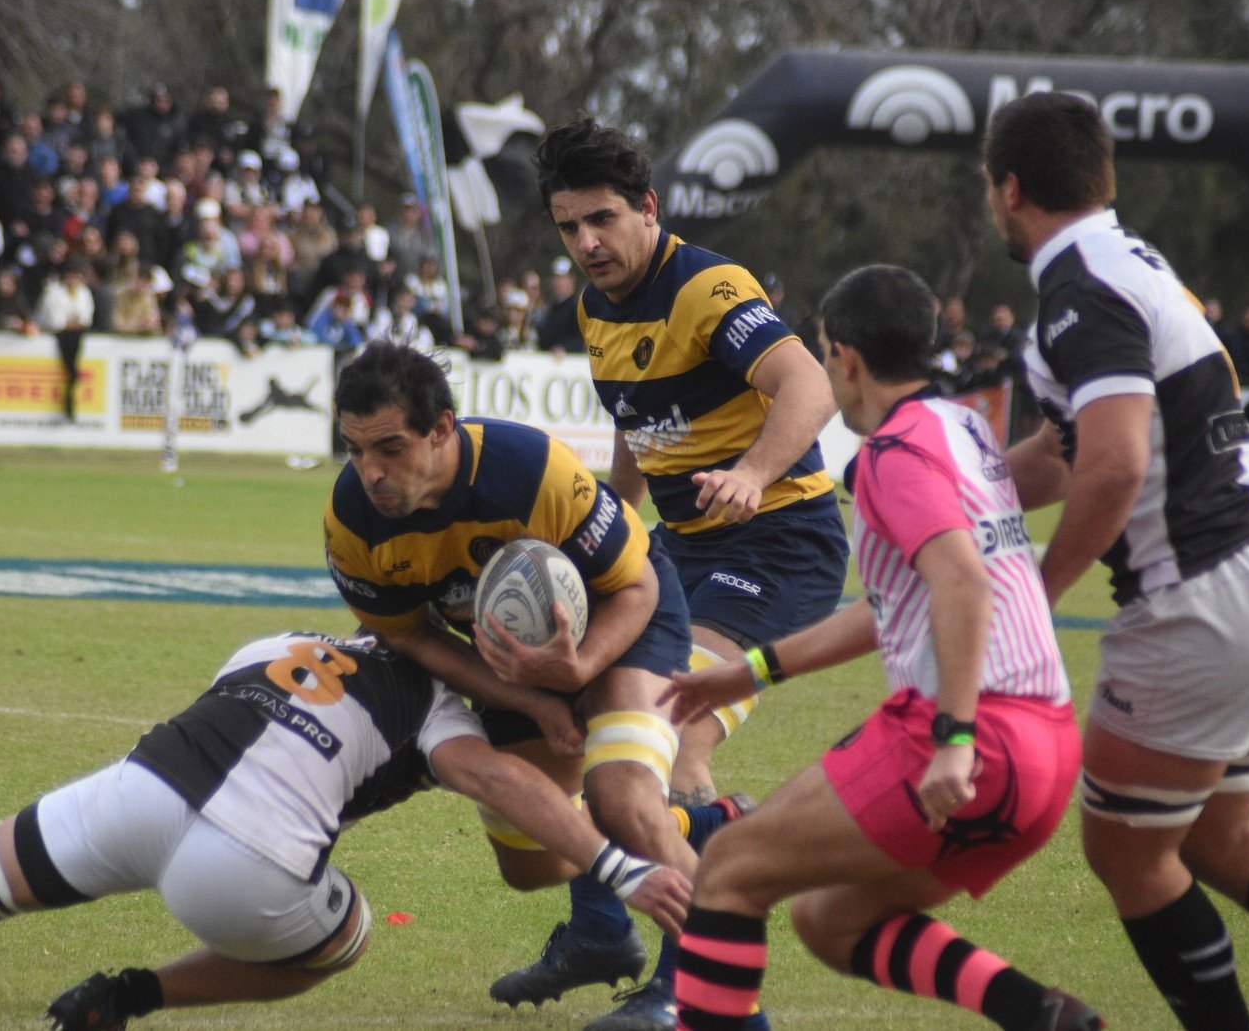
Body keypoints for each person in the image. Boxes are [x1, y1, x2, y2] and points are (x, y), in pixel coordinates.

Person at [0, 630, 691, 1031]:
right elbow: (494, 779)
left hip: (132, 795)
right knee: (341, 931)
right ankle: (135, 992)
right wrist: (610, 859)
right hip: (243, 872)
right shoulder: (445, 708)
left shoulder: (277, 642)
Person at [661, 264, 1100, 1031]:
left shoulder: (892, 452)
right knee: (830, 919)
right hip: (1048, 748)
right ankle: (1036, 1015)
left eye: (828, 356)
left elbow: (961, 583)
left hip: (974, 741)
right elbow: (897, 602)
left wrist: (955, 737)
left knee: (728, 868)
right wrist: (752, 670)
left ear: (847, 361)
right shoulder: (963, 427)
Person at [526, 114, 847, 1029]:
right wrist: (614, 531)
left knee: (671, 735)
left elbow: (808, 384)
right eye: (567, 227)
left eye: (601, 220)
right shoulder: (596, 306)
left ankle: (687, 984)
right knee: (597, 716)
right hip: (679, 554)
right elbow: (638, 422)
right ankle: (601, 928)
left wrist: (751, 473)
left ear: (647, 209)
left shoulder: (707, 287)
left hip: (778, 547)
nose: (586, 243)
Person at [325, 342, 749, 1026]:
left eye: (389, 448)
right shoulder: (352, 521)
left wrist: (578, 672)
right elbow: (408, 634)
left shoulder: (529, 470)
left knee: (623, 799)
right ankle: (632, 904)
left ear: (441, 430)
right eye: (354, 449)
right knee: (530, 862)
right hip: (517, 665)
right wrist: (531, 697)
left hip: (625, 620)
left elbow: (637, 585)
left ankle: (692, 993)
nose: (370, 471)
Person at [984, 91, 1249, 1031]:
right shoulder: (1127, 260)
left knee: (1127, 852)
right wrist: (945, 480)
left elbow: (1113, 464)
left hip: (1195, 594)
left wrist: (1034, 594)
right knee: (1220, 840)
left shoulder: (1078, 289)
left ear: (1007, 188)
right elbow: (1075, 449)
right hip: (1241, 568)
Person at [36, 258, 95, 420]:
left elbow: (86, 319)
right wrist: (72, 323)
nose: (75, 280)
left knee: (74, 340)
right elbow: (56, 323)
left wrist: (73, 323)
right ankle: (72, 373)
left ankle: (72, 374)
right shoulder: (54, 293)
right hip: (57, 335)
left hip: (74, 335)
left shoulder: (84, 293)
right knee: (70, 341)